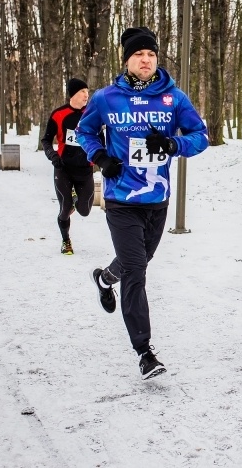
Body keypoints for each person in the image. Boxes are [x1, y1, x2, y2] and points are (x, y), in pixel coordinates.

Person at [76, 26, 209, 380]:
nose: (146, 59)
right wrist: (101, 158)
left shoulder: (174, 98)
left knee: (140, 259)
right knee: (136, 271)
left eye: (150, 54)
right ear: (127, 61)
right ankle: (145, 352)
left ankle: (105, 279)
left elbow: (201, 137)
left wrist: (172, 146)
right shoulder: (106, 98)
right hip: (120, 198)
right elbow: (84, 132)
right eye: (138, 54)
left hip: (157, 199)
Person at [41, 78, 95, 255]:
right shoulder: (59, 114)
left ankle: (76, 199)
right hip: (64, 168)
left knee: (85, 211)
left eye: (87, 91)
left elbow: (101, 139)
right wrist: (53, 156)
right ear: (73, 94)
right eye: (82, 92)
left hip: (85, 169)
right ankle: (66, 241)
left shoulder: (92, 114)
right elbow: (46, 140)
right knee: (64, 209)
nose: (86, 95)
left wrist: (100, 156)